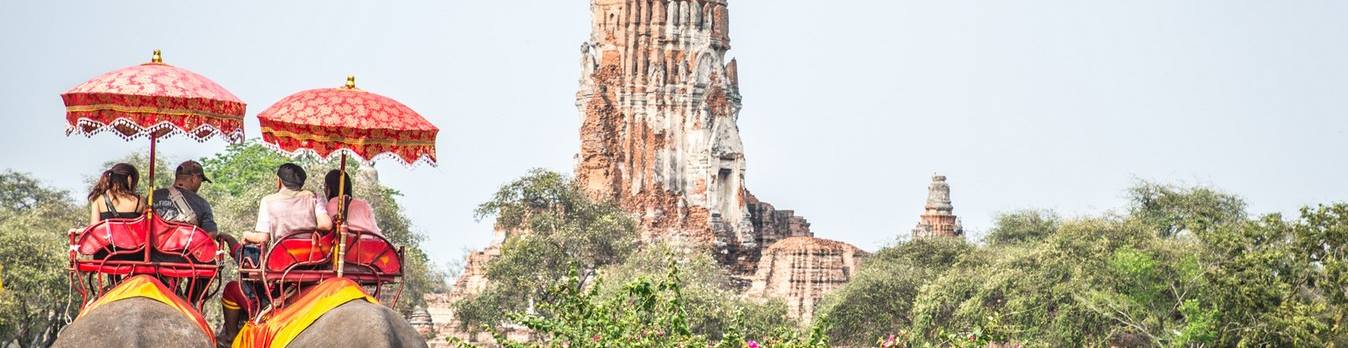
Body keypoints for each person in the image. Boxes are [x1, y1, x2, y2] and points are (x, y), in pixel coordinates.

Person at [220, 163, 332, 346]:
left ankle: (233, 333)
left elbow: (263, 238)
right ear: (301, 184)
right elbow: (326, 225)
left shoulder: (269, 200)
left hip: (283, 263)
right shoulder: (313, 197)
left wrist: (246, 235)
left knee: (240, 277)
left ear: (279, 181)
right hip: (313, 261)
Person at [150, 160, 238, 250]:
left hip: (153, 255)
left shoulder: (153, 196)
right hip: (186, 259)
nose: (200, 184)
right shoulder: (202, 204)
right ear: (194, 178)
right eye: (201, 180)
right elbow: (210, 235)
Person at [323, 170, 381, 235]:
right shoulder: (364, 205)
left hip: (346, 243)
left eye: (325, 187)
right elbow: (376, 231)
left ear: (329, 189)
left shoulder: (328, 207)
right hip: (370, 242)